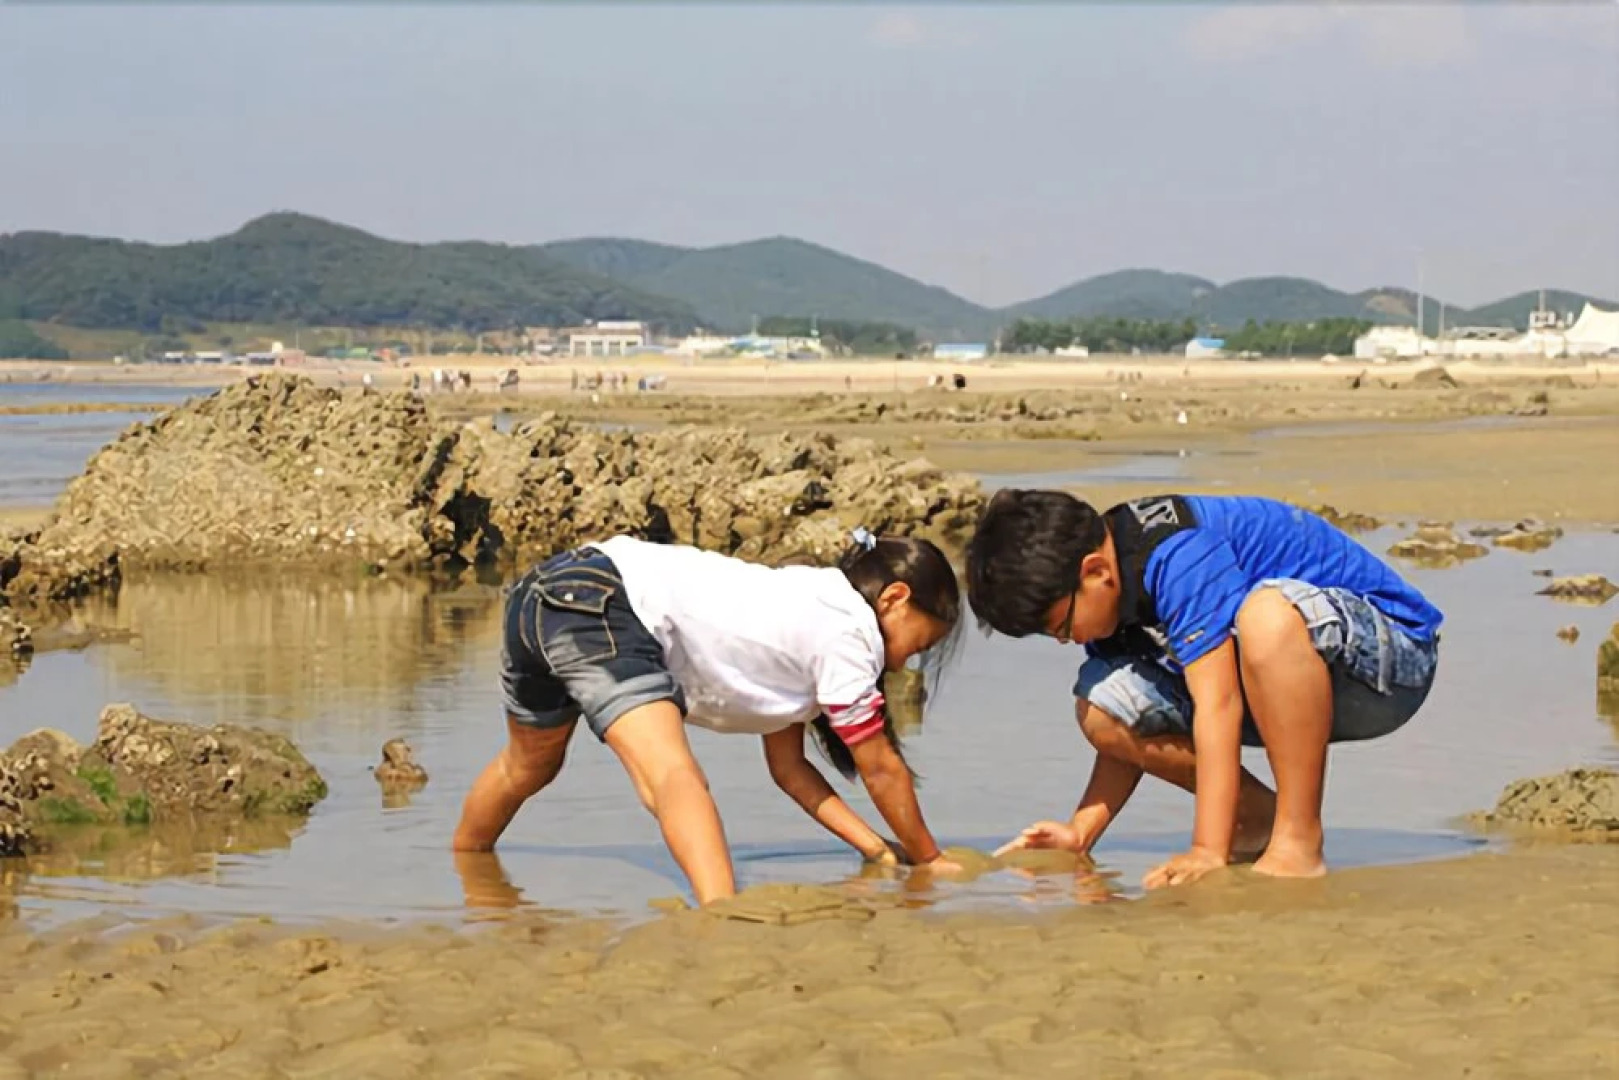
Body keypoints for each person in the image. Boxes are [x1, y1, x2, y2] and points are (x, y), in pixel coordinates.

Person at [453, 529, 966, 904]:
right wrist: (930, 859)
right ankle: (722, 916)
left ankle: (467, 868)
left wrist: (877, 850)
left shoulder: (808, 612)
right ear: (895, 599)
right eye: (918, 645)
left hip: (541, 592)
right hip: (606, 603)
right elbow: (881, 769)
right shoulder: (851, 632)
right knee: (672, 775)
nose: (904, 664)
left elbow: (790, 771)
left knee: (528, 765)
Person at [966, 491, 1442, 888]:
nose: (1066, 640)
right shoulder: (1112, 584)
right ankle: (1256, 817)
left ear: (1095, 572)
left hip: (1388, 663)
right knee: (1103, 702)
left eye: (1062, 626)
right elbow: (1131, 720)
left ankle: (1298, 840)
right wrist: (1081, 830)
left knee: (1266, 618)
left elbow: (1218, 704)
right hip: (1279, 683)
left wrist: (1206, 850)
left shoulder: (1177, 554)